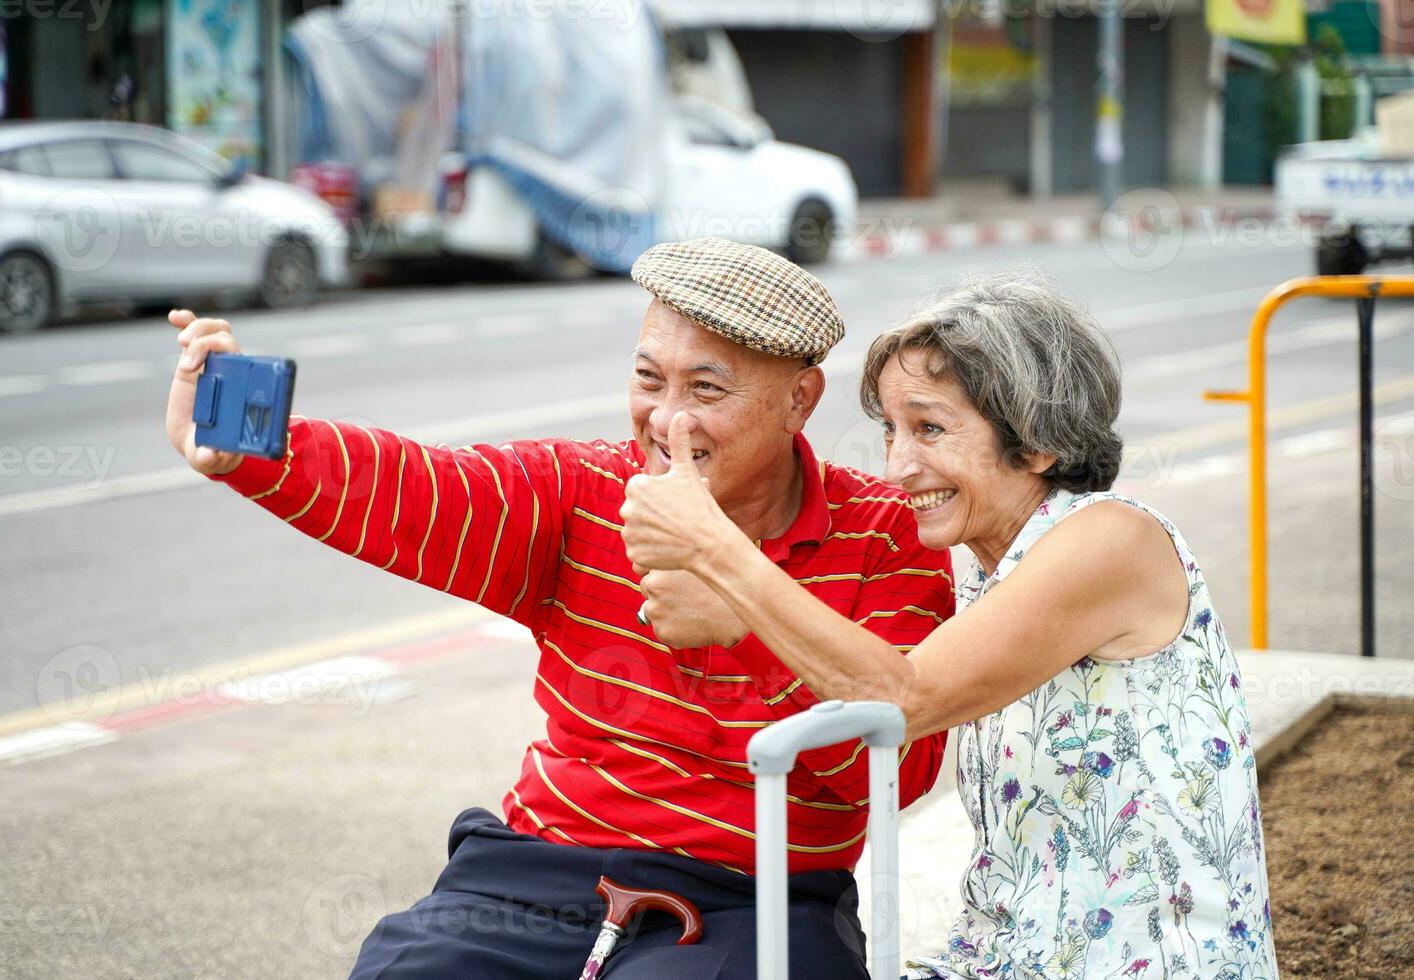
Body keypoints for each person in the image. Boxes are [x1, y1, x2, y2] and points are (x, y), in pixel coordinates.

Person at [163, 238, 956, 979]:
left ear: (799, 401)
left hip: (754, 898)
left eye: (705, 389)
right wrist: (258, 453)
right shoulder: (584, 493)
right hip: (540, 865)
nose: (665, 419)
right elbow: (420, 490)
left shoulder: (885, 531)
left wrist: (745, 610)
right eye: (649, 381)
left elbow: (894, 766)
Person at [620, 271, 1279, 979]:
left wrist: (716, 555)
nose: (900, 467)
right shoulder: (995, 569)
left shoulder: (1111, 542)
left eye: (930, 428)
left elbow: (903, 700)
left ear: (1036, 441)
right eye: (891, 431)